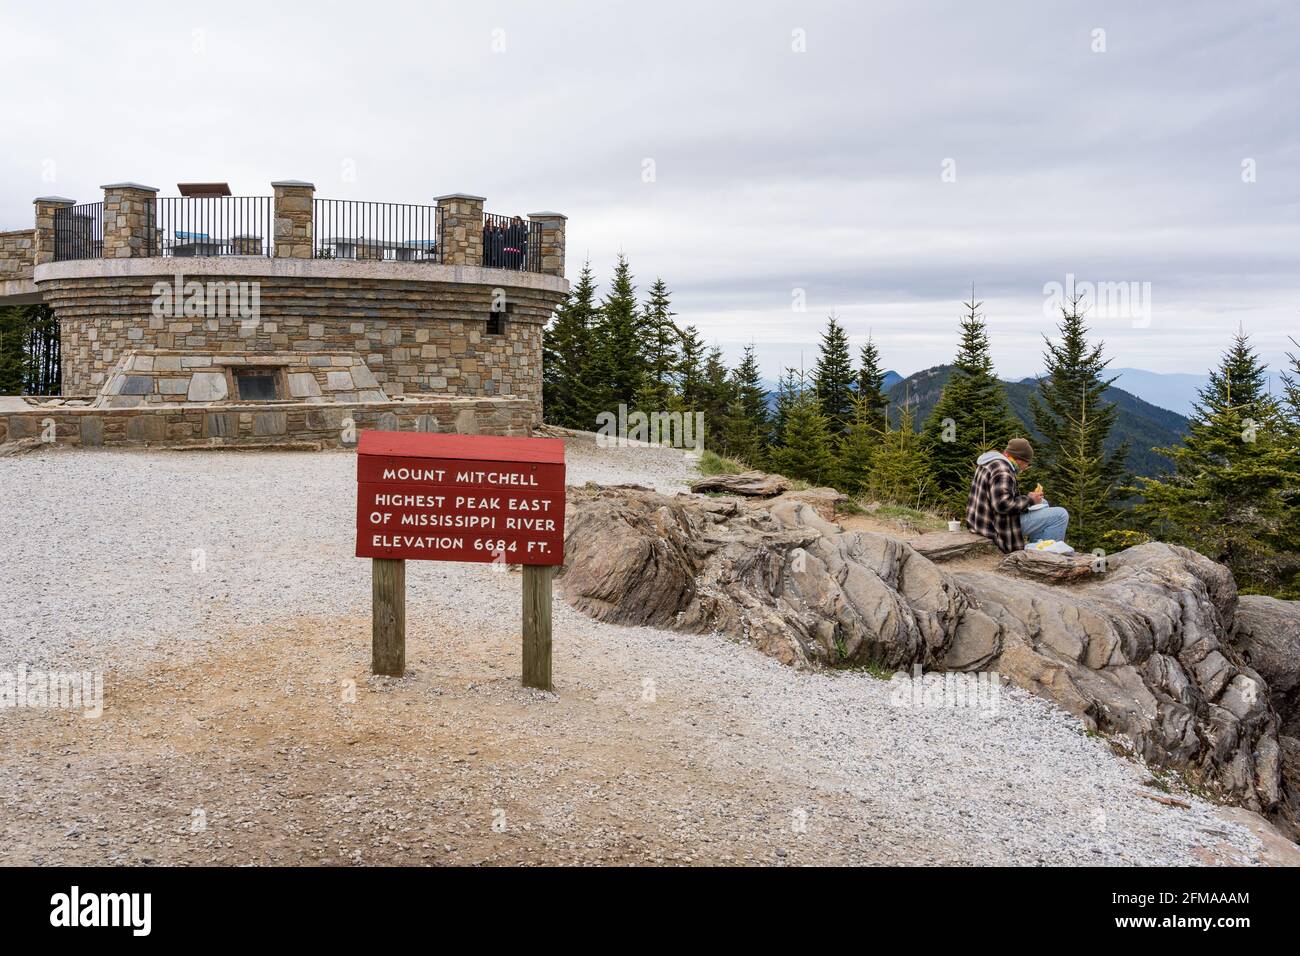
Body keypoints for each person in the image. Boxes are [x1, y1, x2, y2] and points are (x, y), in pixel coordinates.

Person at [964, 437, 1069, 552]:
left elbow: (997, 498)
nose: (1026, 467)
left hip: (981, 521)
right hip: (996, 526)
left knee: (1043, 503)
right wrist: (1030, 500)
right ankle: (1044, 557)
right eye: (1027, 463)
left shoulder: (991, 461)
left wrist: (1030, 499)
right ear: (1020, 460)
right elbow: (1002, 505)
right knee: (1060, 515)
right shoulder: (1003, 471)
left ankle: (1036, 548)